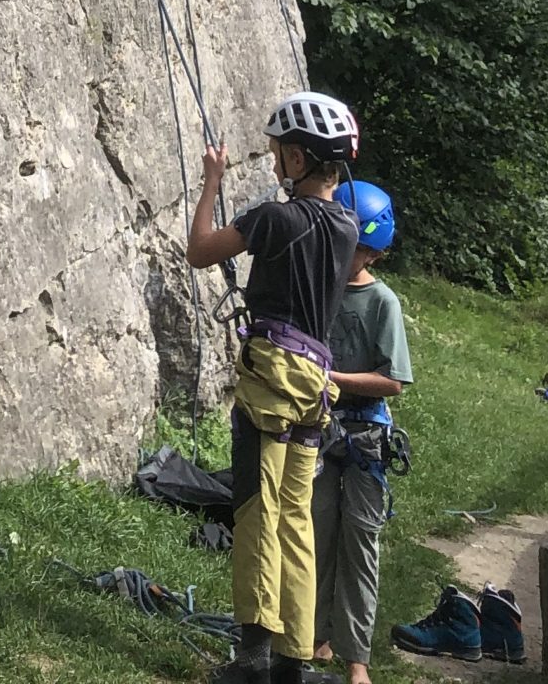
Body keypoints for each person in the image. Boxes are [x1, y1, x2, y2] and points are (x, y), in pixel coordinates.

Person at [189, 90, 362, 684]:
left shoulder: (275, 219)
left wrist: (212, 181)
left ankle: (253, 659)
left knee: (257, 510)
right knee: (296, 517)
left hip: (272, 378)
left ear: (297, 158)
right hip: (314, 383)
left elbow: (199, 251)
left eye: (278, 152)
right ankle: (293, 659)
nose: (273, 161)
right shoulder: (347, 226)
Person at [311, 180, 411, 682]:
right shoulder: (320, 290)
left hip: (365, 436)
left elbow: (393, 380)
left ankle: (357, 660)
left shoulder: (381, 303)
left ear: (370, 252)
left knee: (359, 545)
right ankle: (315, 637)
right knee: (317, 536)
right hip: (320, 429)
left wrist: (333, 378)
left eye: (349, 246)